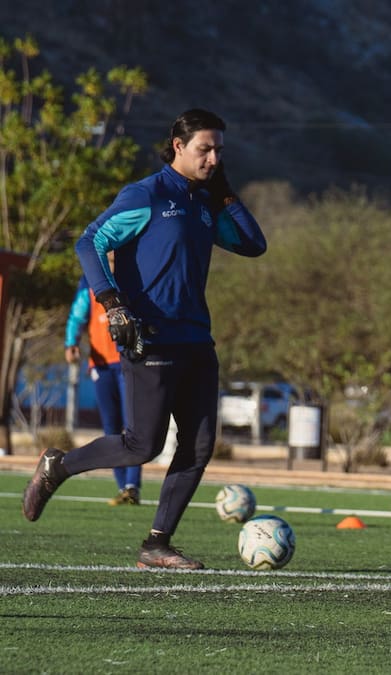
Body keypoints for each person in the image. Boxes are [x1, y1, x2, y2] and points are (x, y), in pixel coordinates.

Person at [23, 108, 267, 570]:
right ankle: (57, 465)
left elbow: (253, 245)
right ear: (178, 146)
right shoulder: (147, 195)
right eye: (204, 149)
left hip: (197, 339)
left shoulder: (204, 203)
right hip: (149, 337)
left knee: (197, 448)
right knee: (143, 444)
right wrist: (112, 303)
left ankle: (157, 544)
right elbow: (89, 242)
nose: (213, 158)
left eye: (219, 150)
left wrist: (226, 192)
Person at [65, 272, 141, 506]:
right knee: (111, 428)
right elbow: (77, 316)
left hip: (127, 360)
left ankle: (132, 486)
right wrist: (71, 343)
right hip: (101, 366)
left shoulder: (132, 273)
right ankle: (122, 487)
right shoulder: (89, 280)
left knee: (134, 426)